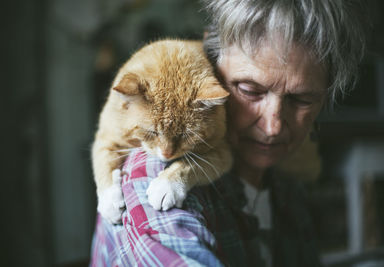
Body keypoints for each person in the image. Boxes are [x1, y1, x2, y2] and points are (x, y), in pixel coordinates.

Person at [90, 0, 367, 266]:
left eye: (302, 100)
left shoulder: (285, 187)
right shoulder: (153, 177)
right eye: (250, 90)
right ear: (213, 64)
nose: (273, 127)